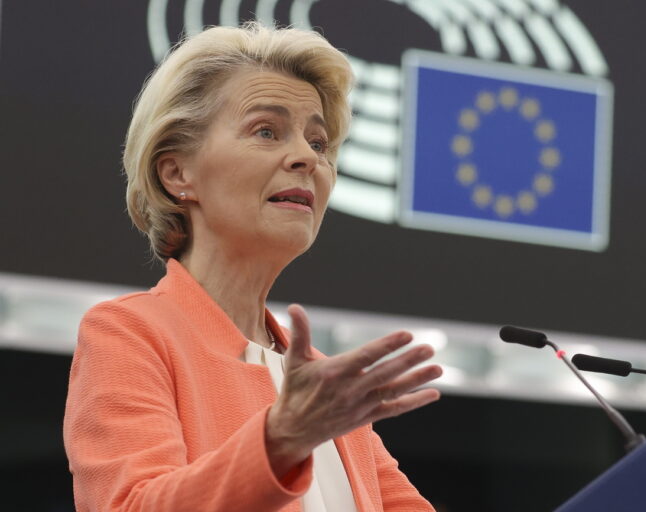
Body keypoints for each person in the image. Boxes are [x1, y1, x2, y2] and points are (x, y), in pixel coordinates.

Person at [63, 22, 442, 511]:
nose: (307, 157)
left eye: (319, 142)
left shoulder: (321, 384)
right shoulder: (130, 333)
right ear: (178, 172)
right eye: (266, 130)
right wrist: (281, 439)